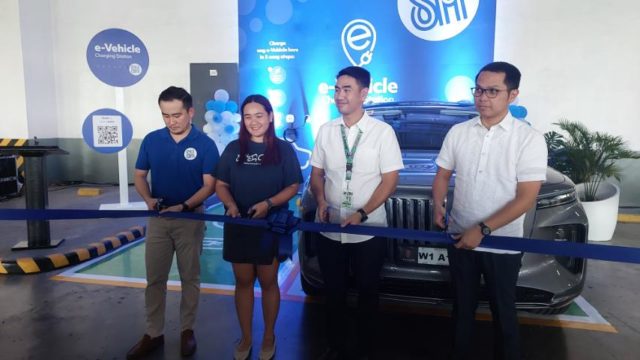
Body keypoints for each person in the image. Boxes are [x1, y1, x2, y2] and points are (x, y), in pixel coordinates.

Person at [432, 62, 547, 360]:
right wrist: (438, 206)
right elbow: (443, 175)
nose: (482, 97)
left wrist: (483, 229)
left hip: (503, 243)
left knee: (504, 312)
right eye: (479, 89)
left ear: (513, 95)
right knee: (461, 309)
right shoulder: (458, 132)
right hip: (460, 239)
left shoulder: (529, 139)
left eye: (493, 91)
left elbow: (526, 198)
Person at [310, 66, 404, 359]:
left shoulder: (382, 133)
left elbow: (390, 182)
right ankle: (335, 346)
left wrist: (362, 213)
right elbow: (316, 175)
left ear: (364, 93)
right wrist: (322, 202)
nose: (339, 95)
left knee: (367, 291)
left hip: (369, 228)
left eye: (346, 89)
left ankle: (366, 348)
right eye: (336, 89)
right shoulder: (326, 131)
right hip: (330, 227)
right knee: (333, 292)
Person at [127, 86, 219, 359]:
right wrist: (148, 199)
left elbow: (209, 186)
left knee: (190, 278)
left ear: (190, 112)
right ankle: (153, 333)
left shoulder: (205, 145)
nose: (171, 121)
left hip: (190, 220)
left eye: (176, 114)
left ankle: (186, 331)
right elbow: (140, 175)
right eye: (165, 115)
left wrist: (185, 205)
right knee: (154, 279)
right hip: (158, 219)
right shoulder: (152, 141)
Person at [215, 94, 302, 360]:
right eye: (248, 116)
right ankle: (246, 337)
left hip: (270, 225)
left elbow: (293, 186)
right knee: (242, 281)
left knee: (267, 281)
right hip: (239, 224)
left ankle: (268, 336)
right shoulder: (233, 148)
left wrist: (268, 203)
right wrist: (229, 204)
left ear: (270, 116)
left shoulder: (283, 149)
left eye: (259, 115)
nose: (253, 122)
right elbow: (221, 184)